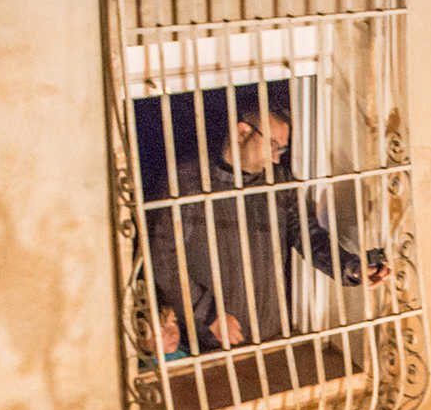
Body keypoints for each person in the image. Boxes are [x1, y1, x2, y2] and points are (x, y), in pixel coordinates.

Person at [138, 80, 382, 355]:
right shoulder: (187, 182)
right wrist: (210, 316)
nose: (277, 159)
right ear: (242, 132)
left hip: (273, 338)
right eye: (274, 145)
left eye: (282, 150)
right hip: (210, 347)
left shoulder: (276, 181)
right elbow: (162, 259)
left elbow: (306, 234)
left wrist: (350, 267)